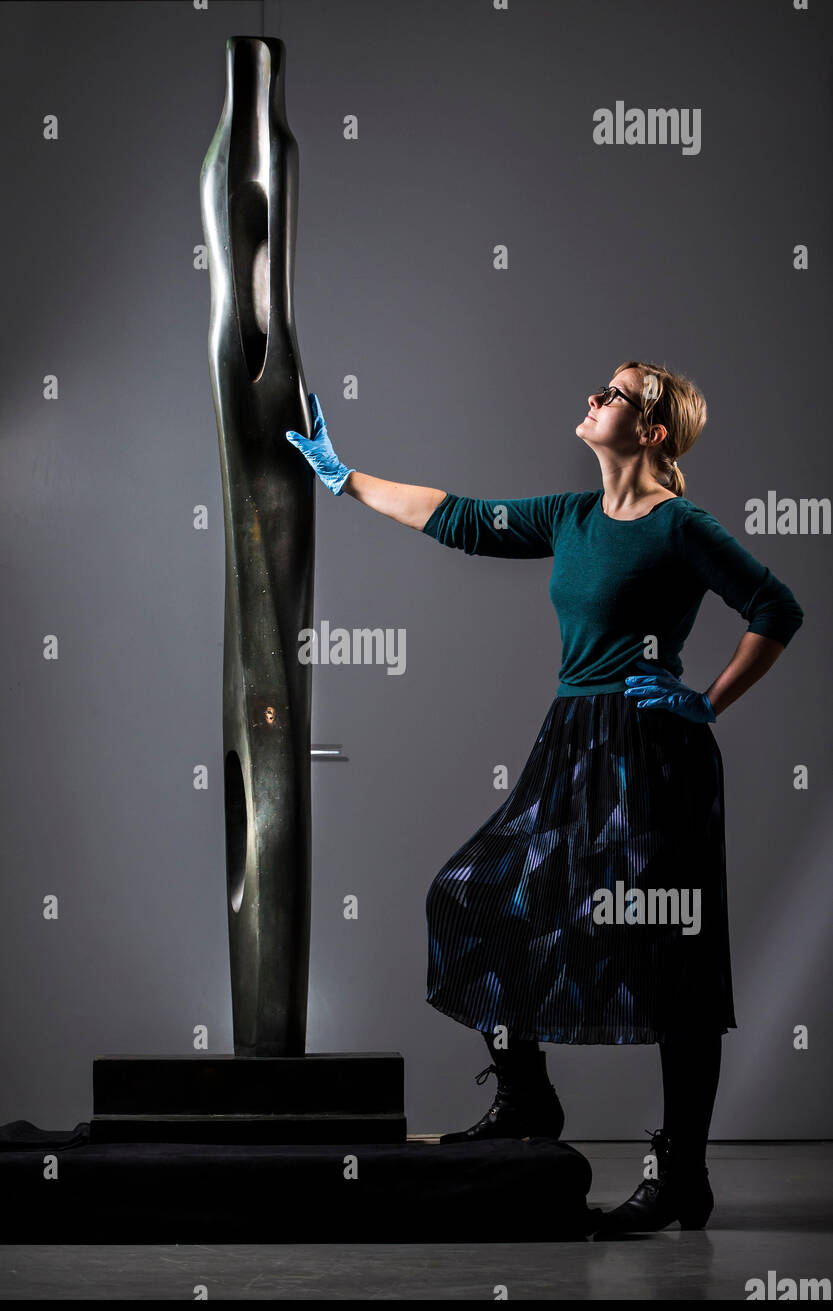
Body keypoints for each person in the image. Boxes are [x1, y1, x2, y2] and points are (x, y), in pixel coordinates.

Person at [285, 361, 804, 1235]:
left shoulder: (681, 527)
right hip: (568, 745)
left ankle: (682, 1177)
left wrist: (702, 702)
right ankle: (527, 1098)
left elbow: (775, 607)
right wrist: (343, 479)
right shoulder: (568, 518)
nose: (595, 397)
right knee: (473, 897)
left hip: (651, 754)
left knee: (665, 953)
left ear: (651, 432)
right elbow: (449, 516)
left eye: (617, 394)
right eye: (601, 386)